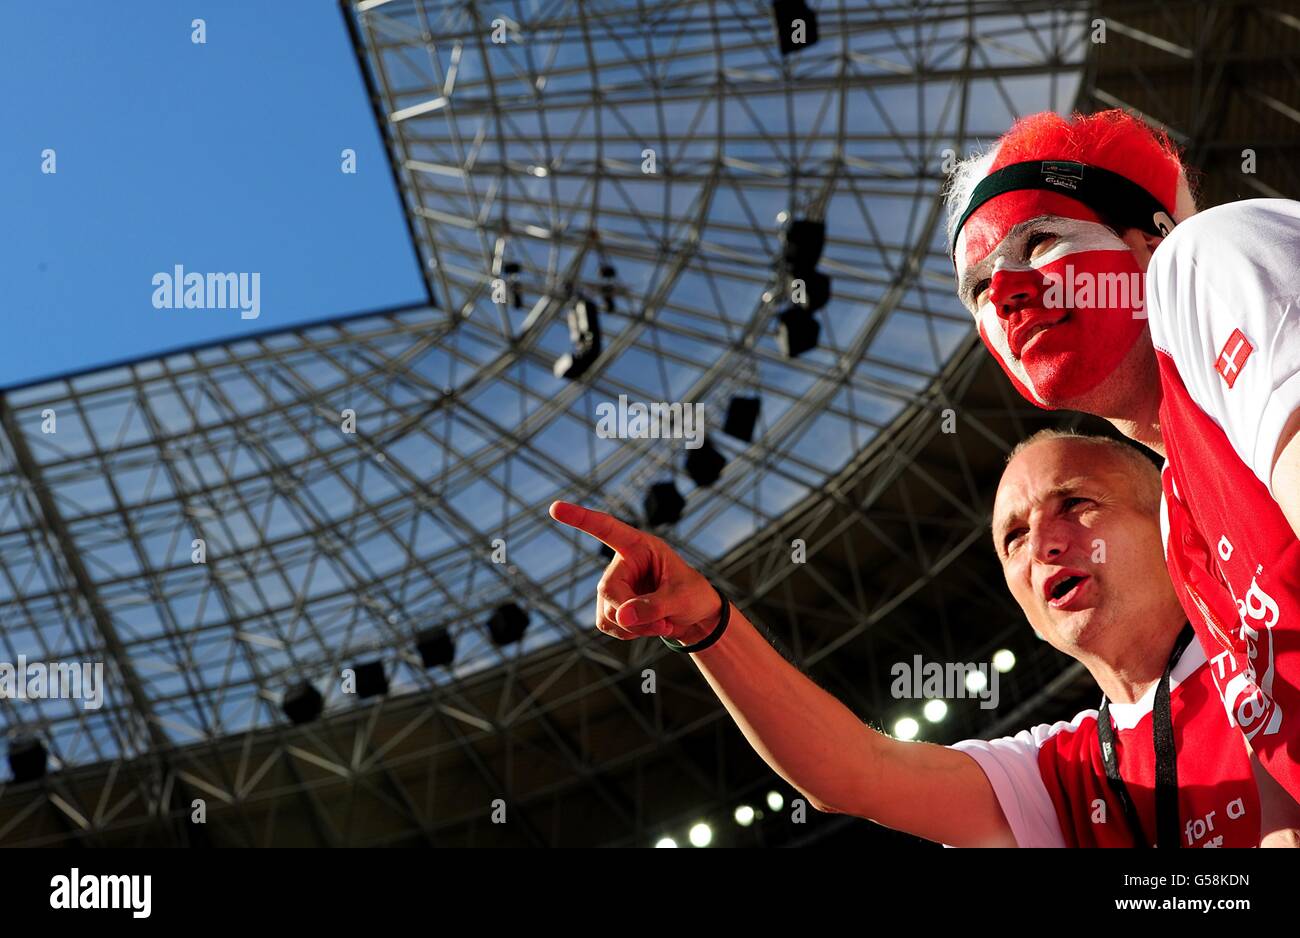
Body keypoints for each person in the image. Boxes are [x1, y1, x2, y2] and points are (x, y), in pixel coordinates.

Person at [549, 432, 1300, 846]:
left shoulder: (1277, 639)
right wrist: (709, 626)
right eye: (1012, 538)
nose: (1043, 544)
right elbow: (853, 772)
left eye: (1076, 503)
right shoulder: (1057, 770)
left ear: (1168, 521)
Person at [944, 108, 1300, 802]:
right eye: (980, 288)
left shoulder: (1209, 255)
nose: (1009, 296)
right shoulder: (1178, 519)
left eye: (1041, 240)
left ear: (1149, 242)